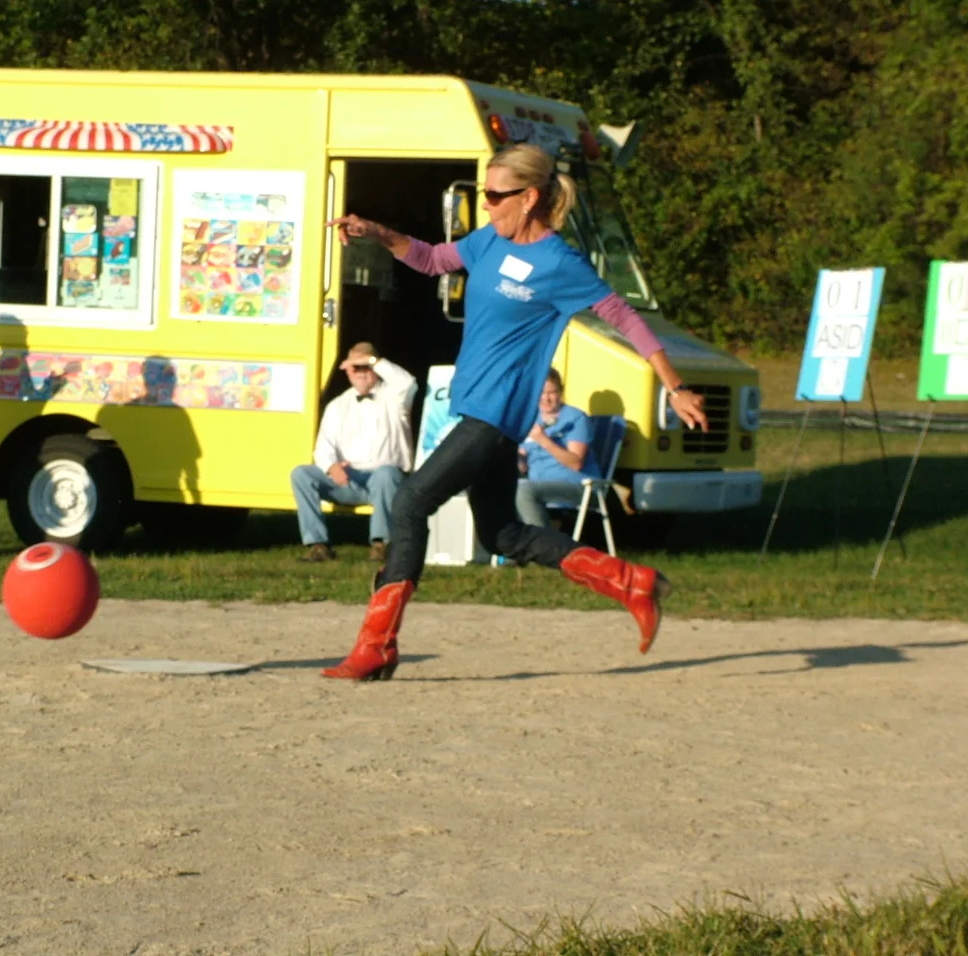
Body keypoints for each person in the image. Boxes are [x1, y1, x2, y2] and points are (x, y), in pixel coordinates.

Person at [323, 142, 709, 680]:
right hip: (480, 413)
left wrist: (675, 386)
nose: (485, 203)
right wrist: (378, 232)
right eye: (484, 193)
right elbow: (432, 259)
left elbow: (624, 316)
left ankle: (376, 645)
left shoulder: (559, 263)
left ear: (529, 198)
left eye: (494, 195)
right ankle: (632, 583)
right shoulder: (489, 240)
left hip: (497, 415)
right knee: (502, 534)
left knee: (409, 503)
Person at [290, 342, 417, 563]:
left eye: (365, 367)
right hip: (351, 479)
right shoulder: (337, 406)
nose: (360, 372)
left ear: (376, 367)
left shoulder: (395, 396)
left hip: (387, 481)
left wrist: (372, 361)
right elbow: (323, 448)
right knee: (301, 474)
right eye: (355, 367)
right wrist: (331, 467)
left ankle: (381, 544)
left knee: (386, 473)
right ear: (347, 370)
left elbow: (408, 382)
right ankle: (318, 545)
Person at [515, 368, 601, 527]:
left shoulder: (575, 418)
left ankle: (541, 541)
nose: (546, 399)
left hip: (578, 486)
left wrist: (543, 440)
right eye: (541, 393)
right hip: (538, 486)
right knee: (499, 486)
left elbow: (576, 463)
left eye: (551, 393)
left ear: (560, 392)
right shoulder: (531, 419)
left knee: (524, 491)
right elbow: (523, 466)